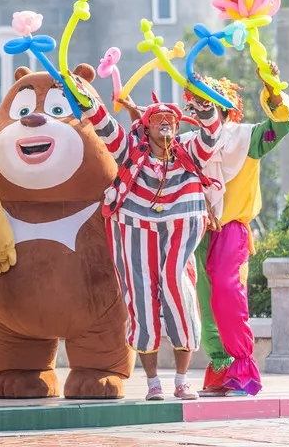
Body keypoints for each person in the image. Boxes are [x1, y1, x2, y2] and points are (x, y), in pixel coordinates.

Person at [86, 90, 221, 402]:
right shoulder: (131, 149)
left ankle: (182, 381)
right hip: (135, 225)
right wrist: (86, 99)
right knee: (142, 298)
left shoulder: (188, 149)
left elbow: (211, 135)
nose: (165, 123)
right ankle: (153, 384)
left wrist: (205, 106)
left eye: (170, 119)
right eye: (158, 118)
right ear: (146, 126)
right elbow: (105, 125)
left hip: (181, 225)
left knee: (179, 289)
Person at [183, 69, 289, 397]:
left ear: (223, 107)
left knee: (226, 289)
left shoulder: (248, 138)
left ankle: (243, 370)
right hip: (200, 231)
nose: (200, 110)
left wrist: (273, 89)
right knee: (205, 301)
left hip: (232, 229)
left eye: (207, 103)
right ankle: (221, 368)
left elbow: (281, 124)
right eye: (195, 103)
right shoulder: (188, 144)